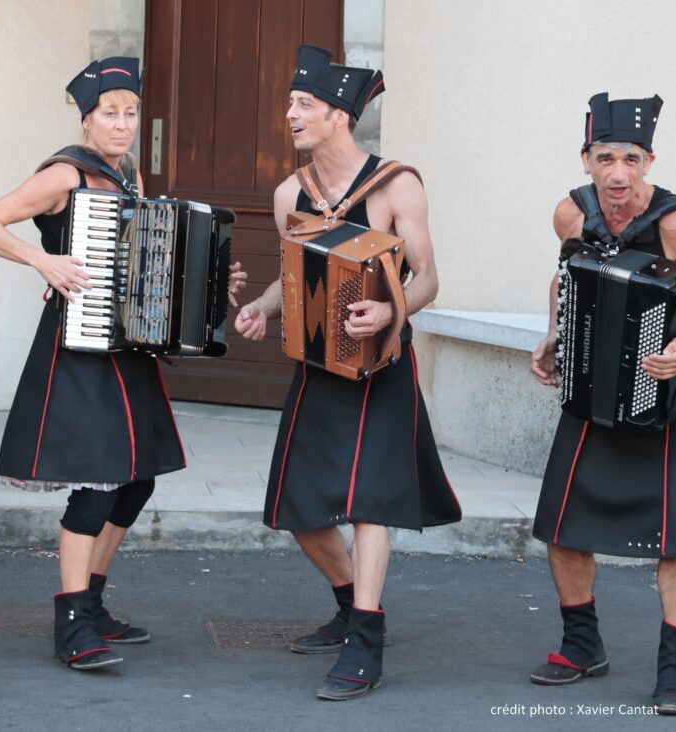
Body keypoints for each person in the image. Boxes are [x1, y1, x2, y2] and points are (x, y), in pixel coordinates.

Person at [0, 57, 245, 671]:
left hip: (127, 350)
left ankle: (90, 601)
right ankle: (69, 622)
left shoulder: (128, 176)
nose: (121, 124)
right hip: (79, 347)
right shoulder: (65, 173)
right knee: (97, 485)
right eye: (109, 114)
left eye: (129, 113)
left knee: (136, 479)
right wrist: (43, 262)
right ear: (86, 118)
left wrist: (206, 285)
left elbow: (149, 266)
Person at [233, 45, 460, 700]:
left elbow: (429, 279)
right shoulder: (289, 195)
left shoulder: (396, 186)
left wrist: (390, 311)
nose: (290, 114)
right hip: (316, 364)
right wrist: (262, 306)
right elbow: (292, 271)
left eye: (303, 105)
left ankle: (367, 634)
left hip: (382, 367)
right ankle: (344, 603)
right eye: (291, 103)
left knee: (367, 501)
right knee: (300, 506)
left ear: (339, 115)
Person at [527, 93, 676, 716]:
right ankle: (580, 645)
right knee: (561, 523)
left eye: (630, 160)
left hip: (673, 396)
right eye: (605, 158)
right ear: (587, 158)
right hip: (593, 391)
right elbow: (564, 277)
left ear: (649, 160)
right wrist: (553, 336)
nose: (617, 174)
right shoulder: (571, 213)